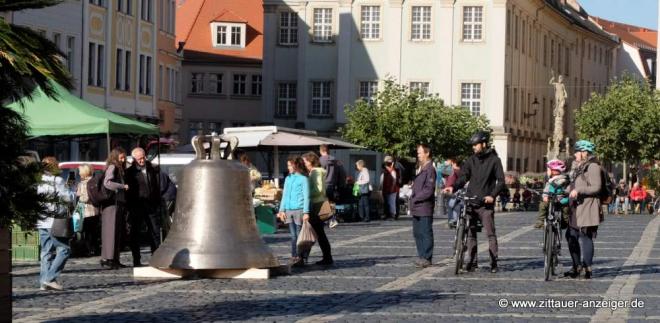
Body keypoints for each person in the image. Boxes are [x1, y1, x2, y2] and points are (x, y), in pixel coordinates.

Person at [444, 131, 505, 273]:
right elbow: (463, 178)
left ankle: (494, 262)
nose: (474, 147)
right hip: (471, 200)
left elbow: (501, 181)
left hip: (485, 203)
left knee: (490, 233)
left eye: (476, 145)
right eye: (473, 145)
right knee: (471, 233)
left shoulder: (495, 160)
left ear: (484, 144)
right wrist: (453, 187)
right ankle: (471, 261)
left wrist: (492, 195)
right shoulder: (470, 160)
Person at [565, 140, 602, 279]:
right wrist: (563, 191)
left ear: (584, 152)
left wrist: (579, 190)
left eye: (577, 151)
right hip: (576, 207)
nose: (575, 154)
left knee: (585, 237)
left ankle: (588, 267)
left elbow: (596, 187)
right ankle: (576, 265)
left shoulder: (593, 167)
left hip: (587, 207)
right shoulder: (580, 166)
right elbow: (574, 185)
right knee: (570, 235)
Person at [37, 157, 74, 290]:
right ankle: (49, 278)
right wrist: (71, 189)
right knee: (64, 249)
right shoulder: (57, 180)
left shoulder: (38, 181)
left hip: (41, 220)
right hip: (55, 220)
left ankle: (43, 282)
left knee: (46, 252)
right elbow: (68, 198)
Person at [125, 147, 162, 267]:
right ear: (134, 159)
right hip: (137, 206)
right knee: (135, 233)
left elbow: (156, 186)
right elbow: (128, 191)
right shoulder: (130, 172)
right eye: (139, 159)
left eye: (143, 157)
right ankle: (136, 259)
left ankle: (156, 257)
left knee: (155, 232)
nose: (142, 160)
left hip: (151, 205)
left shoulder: (152, 169)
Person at [277, 156, 310, 267]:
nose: (288, 167)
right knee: (293, 236)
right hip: (289, 210)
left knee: (300, 236)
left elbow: (307, 197)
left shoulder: (303, 179)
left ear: (296, 165)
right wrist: (281, 210)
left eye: (290, 165)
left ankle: (301, 257)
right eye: (288, 165)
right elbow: (284, 195)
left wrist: (306, 212)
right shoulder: (288, 178)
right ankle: (294, 255)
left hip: (299, 210)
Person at [302, 152, 334, 265]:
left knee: (315, 233)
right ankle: (326, 256)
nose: (304, 163)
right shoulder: (315, 172)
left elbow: (319, 189)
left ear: (311, 161)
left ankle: (306, 257)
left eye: (305, 161)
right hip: (318, 203)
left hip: (317, 204)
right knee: (318, 233)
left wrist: (306, 194)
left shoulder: (315, 172)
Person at [101, 147, 130, 269]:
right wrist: (122, 186)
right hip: (112, 204)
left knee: (117, 232)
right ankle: (108, 259)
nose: (123, 160)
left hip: (118, 203)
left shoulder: (118, 167)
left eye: (124, 157)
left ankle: (114, 258)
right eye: (121, 157)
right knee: (111, 232)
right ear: (116, 156)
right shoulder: (113, 167)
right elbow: (107, 183)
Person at [410, 144, 437, 268]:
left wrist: (416, 198)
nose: (418, 155)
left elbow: (428, 190)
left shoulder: (430, 169)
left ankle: (426, 257)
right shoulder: (421, 168)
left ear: (427, 153)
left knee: (425, 232)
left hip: (424, 206)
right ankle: (421, 256)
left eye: (420, 153)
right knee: (417, 233)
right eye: (418, 153)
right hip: (417, 207)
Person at [534, 159, 570, 229]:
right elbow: (546, 190)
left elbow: (568, 188)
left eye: (549, 170)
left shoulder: (563, 179)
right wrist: (545, 195)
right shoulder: (550, 180)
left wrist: (565, 192)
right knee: (543, 205)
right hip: (552, 199)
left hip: (560, 199)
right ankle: (541, 221)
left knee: (565, 209)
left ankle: (541, 221)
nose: (547, 171)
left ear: (554, 171)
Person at [76, 164, 101, 255]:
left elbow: (84, 198)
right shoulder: (95, 181)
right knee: (94, 231)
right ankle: (95, 248)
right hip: (95, 210)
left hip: (86, 211)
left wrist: (77, 195)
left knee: (87, 232)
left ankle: (89, 249)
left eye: (79, 171)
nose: (78, 173)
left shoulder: (83, 183)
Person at [158, 169, 177, 239]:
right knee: (167, 217)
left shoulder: (160, 173)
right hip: (170, 196)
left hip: (168, 197)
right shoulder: (161, 173)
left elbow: (162, 187)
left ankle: (169, 235)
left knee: (165, 217)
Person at [444, 158, 461, 229]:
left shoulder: (452, 171)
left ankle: (452, 221)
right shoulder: (461, 171)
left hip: (451, 190)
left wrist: (447, 166)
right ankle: (454, 220)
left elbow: (443, 173)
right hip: (456, 190)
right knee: (454, 205)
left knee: (451, 205)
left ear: (453, 163)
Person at [380, 156, 400, 220]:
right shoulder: (386, 172)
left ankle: (392, 215)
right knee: (388, 202)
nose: (386, 166)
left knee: (392, 202)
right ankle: (388, 214)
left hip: (391, 189)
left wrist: (392, 187)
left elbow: (394, 180)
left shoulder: (392, 171)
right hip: (386, 189)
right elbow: (382, 181)